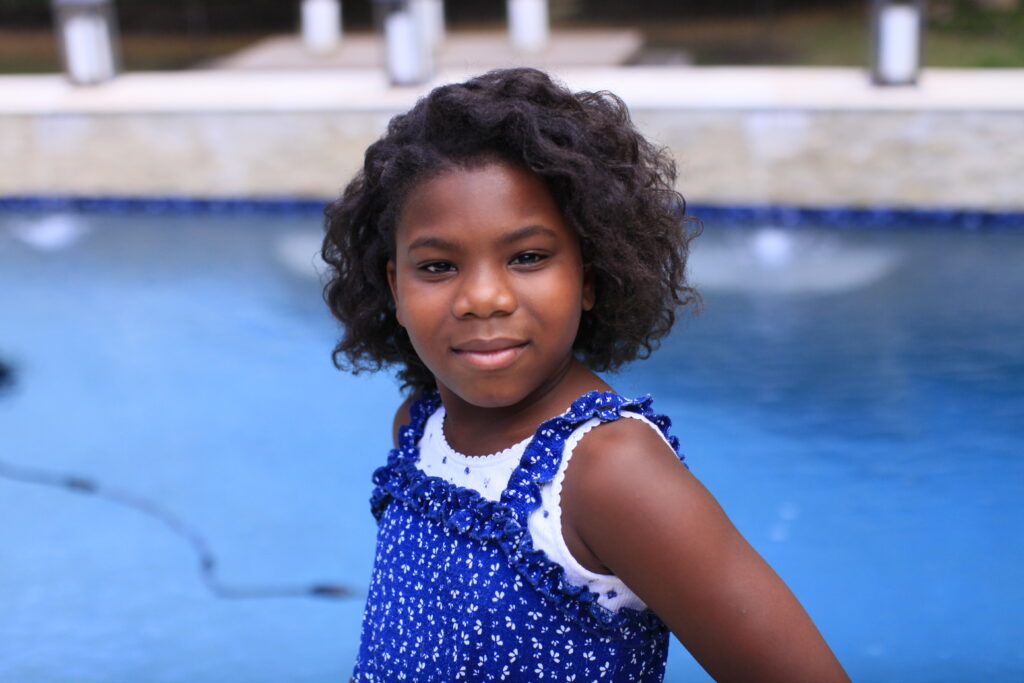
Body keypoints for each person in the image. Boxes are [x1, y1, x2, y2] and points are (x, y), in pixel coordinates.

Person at [322, 68, 849, 682]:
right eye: (438, 266)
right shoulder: (418, 426)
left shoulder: (608, 471)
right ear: (395, 286)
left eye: (528, 258)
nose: (483, 297)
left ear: (591, 277)